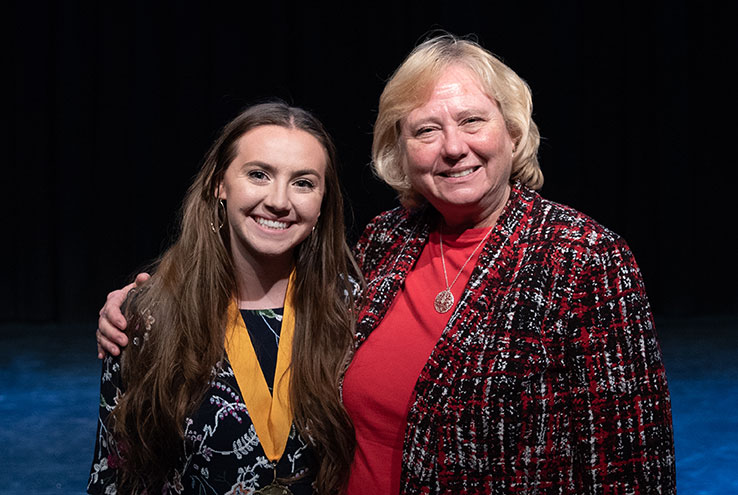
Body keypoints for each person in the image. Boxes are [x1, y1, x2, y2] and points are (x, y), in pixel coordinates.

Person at [97, 35, 676, 494]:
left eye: (472, 121)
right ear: (400, 149)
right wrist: (141, 303)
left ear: (513, 130)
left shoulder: (583, 258)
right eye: (426, 129)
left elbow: (633, 466)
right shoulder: (385, 244)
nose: (453, 146)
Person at [89, 102, 358, 495]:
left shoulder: (352, 309)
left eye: (303, 182)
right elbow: (115, 473)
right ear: (220, 184)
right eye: (258, 174)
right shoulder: (149, 317)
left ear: (322, 203)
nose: (279, 200)